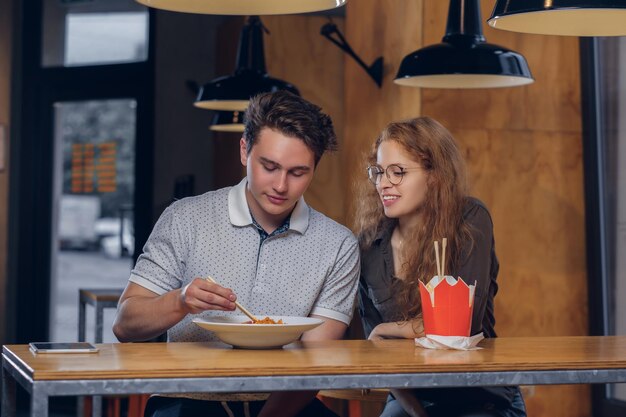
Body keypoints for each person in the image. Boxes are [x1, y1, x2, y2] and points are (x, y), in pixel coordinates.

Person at [113, 91, 360, 417]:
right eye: (269, 166)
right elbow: (125, 325)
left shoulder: (338, 244)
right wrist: (181, 300)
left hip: (284, 405)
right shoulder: (185, 218)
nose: (281, 186)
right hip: (189, 400)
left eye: (298, 172)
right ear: (244, 150)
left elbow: (315, 361)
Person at [354, 117, 527, 417]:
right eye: (379, 172)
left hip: (479, 396)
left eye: (398, 172)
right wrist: (417, 413)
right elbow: (379, 353)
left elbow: (462, 325)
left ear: (435, 175)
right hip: (409, 397)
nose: (383, 183)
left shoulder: (470, 218)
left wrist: (388, 328)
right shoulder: (369, 245)